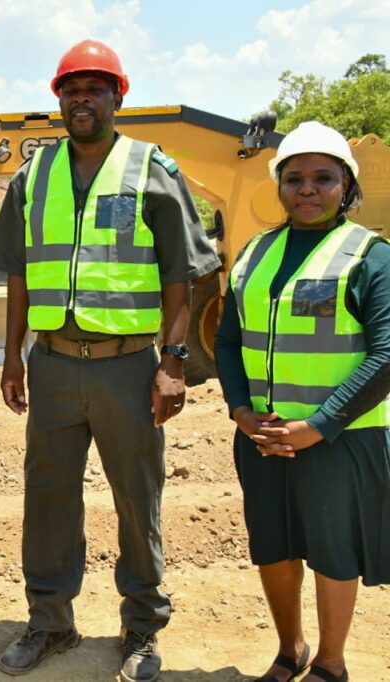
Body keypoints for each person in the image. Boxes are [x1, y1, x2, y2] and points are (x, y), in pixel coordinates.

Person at [0, 40, 220, 680]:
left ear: (118, 97)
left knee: (136, 500)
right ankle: (49, 623)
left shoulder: (151, 170)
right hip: (54, 365)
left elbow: (183, 274)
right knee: (49, 497)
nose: (81, 99)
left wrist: (173, 363)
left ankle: (142, 630)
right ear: (57, 98)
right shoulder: (33, 176)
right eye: (70, 88)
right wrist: (13, 356)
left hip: (128, 368)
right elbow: (19, 276)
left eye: (95, 88)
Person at [216, 121, 390, 682]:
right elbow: (226, 337)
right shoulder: (254, 253)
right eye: (294, 179)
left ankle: (332, 664)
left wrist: (320, 424)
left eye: (323, 178)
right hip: (264, 436)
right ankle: (291, 650)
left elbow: (386, 354)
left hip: (340, 439)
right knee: (273, 546)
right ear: (279, 186)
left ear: (347, 186)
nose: (307, 189)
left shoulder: (369, 256)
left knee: (332, 550)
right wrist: (241, 412)